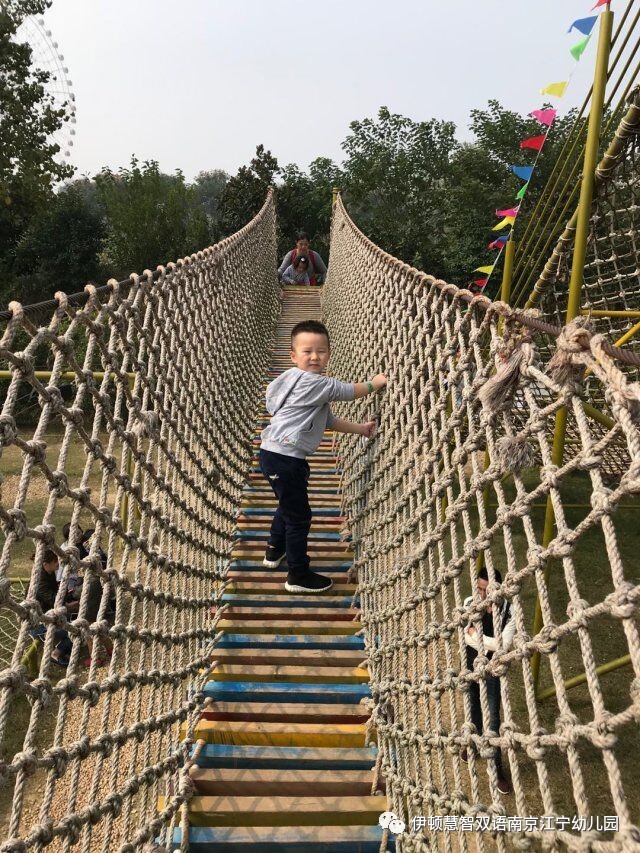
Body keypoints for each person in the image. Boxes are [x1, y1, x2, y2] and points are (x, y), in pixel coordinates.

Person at [259, 319, 387, 592]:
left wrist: (361, 429)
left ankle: (273, 550)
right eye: (307, 351)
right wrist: (374, 384)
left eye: (321, 351)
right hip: (287, 459)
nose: (315, 357)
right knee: (299, 517)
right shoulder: (317, 383)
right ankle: (297, 575)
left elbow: (327, 420)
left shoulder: (290, 379)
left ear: (329, 352)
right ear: (293, 355)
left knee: (288, 504)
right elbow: (349, 391)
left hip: (274, 454)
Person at [462, 567, 515, 795]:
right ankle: (472, 744)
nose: (482, 595)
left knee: (492, 717)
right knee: (472, 707)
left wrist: (478, 637)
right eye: (480, 589)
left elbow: (504, 645)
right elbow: (465, 636)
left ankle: (496, 767)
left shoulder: (509, 611)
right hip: (472, 664)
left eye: (487, 590)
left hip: (493, 670)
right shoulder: (470, 602)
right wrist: (483, 640)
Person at [31, 549, 74, 667]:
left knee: (76, 619)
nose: (58, 563)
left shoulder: (48, 573)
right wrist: (67, 605)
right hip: (38, 623)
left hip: (48, 613)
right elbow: (54, 600)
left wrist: (67, 595)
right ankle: (55, 654)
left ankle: (64, 646)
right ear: (45, 564)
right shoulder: (39, 581)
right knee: (73, 630)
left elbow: (55, 593)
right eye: (55, 561)